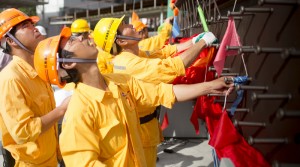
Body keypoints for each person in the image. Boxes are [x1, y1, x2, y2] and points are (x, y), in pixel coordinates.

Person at [33, 26, 233, 166]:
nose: (83, 38)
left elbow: (163, 92)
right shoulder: (79, 110)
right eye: (73, 41)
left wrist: (210, 86)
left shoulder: (119, 81)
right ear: (67, 64)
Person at [92, 15, 218, 166]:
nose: (132, 26)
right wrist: (203, 42)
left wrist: (193, 42)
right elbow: (174, 66)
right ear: (121, 41)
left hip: (145, 129)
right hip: (140, 134)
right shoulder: (129, 63)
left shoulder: (133, 54)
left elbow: (163, 53)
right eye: (125, 25)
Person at [0, 8, 69, 166]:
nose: (34, 28)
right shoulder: (11, 78)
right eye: (25, 26)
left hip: (50, 160)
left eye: (32, 24)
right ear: (11, 40)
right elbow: (24, 132)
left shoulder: (38, 72)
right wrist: (62, 109)